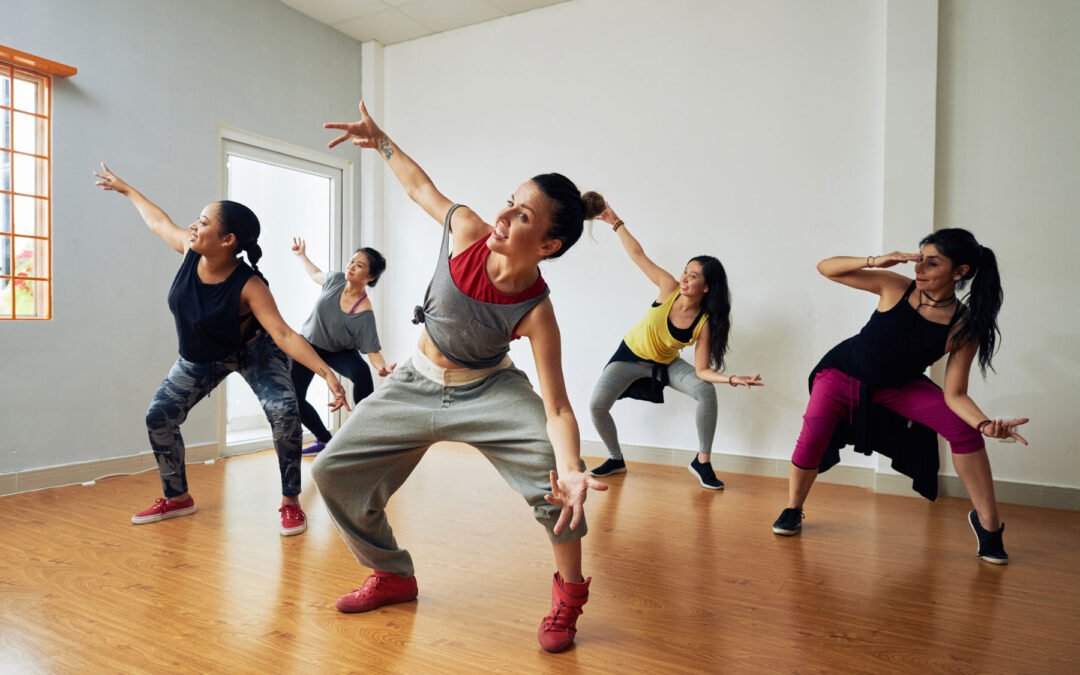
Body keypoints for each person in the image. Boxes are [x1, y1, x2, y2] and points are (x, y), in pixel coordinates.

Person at [310, 102, 607, 653]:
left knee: (559, 491)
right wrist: (381, 143)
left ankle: (570, 595)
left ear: (548, 246)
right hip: (417, 380)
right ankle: (392, 574)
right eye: (511, 202)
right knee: (332, 471)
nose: (505, 215)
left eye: (523, 216)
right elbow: (422, 188)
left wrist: (571, 466)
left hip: (489, 389)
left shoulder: (536, 309)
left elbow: (558, 407)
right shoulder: (467, 231)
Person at [94, 164, 348, 537]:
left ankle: (291, 502)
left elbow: (282, 333)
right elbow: (158, 222)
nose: (193, 226)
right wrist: (127, 190)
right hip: (201, 357)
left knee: (284, 410)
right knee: (159, 416)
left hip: (254, 352)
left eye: (202, 221)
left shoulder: (249, 285)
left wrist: (326, 372)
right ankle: (177, 497)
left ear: (228, 240)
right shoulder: (189, 253)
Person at [771, 229, 1029, 565]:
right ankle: (793, 508)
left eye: (931, 263)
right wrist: (876, 260)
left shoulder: (964, 327)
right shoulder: (894, 287)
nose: (919, 269)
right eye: (919, 260)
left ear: (960, 272)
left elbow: (955, 393)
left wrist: (983, 424)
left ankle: (989, 526)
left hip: (899, 387)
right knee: (814, 436)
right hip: (841, 375)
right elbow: (825, 267)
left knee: (964, 430)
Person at [586, 201, 763, 489]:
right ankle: (615, 459)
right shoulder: (668, 287)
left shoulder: (704, 322)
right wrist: (616, 222)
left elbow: (703, 371)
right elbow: (637, 255)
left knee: (705, 391)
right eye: (685, 271)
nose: (684, 277)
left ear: (706, 287)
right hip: (629, 356)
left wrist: (730, 378)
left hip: (664, 364)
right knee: (596, 405)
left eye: (693, 276)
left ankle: (702, 461)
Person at [289, 239, 395, 454]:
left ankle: (364, 434)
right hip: (308, 345)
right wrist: (302, 255)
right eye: (352, 261)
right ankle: (324, 440)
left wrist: (381, 367)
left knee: (362, 372)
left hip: (338, 351)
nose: (351, 266)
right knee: (293, 396)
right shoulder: (336, 280)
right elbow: (316, 274)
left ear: (370, 277)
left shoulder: (363, 311)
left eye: (359, 265)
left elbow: (372, 350)